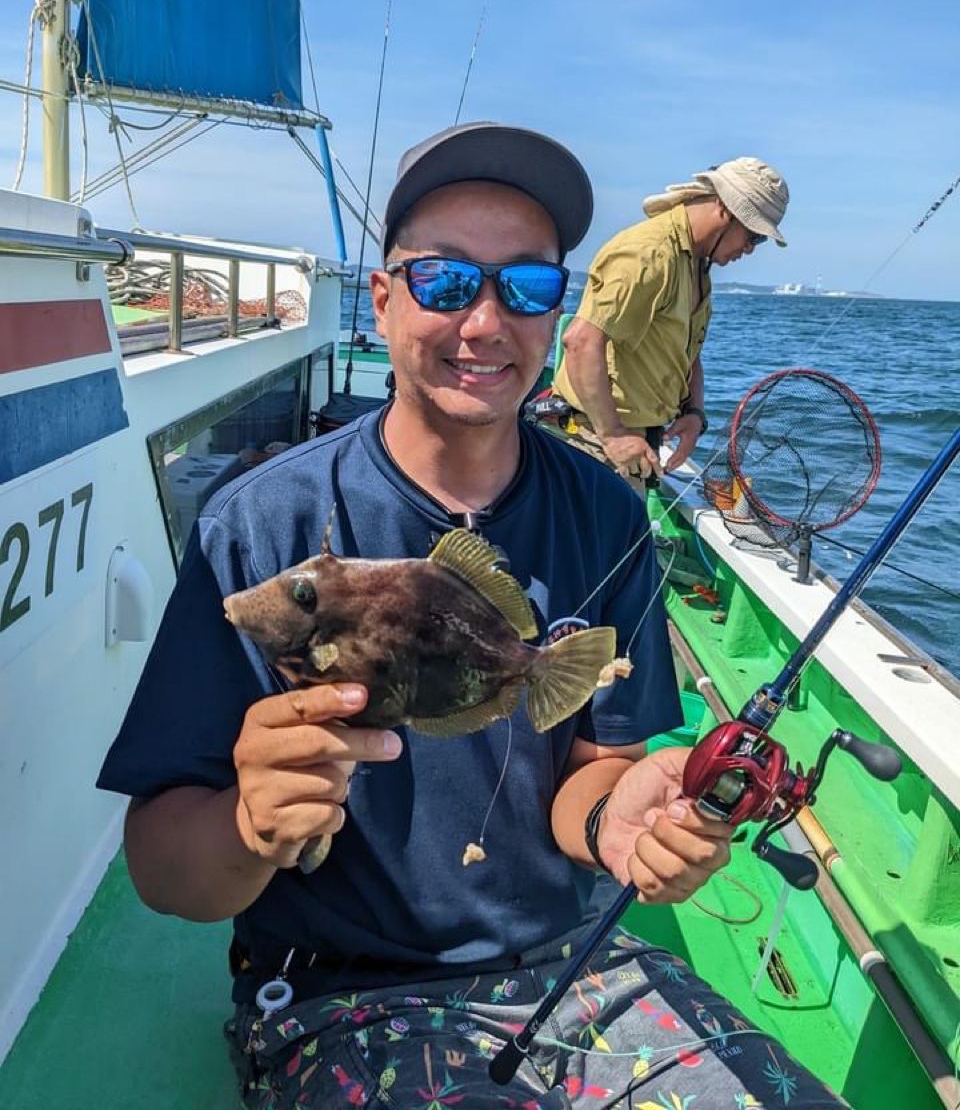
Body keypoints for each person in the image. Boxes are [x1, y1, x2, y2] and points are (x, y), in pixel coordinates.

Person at [99, 123, 842, 1108]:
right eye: (447, 280)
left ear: (555, 309)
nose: (487, 322)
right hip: (340, 989)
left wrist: (620, 822)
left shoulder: (607, 512)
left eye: (526, 286)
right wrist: (248, 821)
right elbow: (165, 872)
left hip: (578, 965)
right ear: (380, 294)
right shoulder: (262, 521)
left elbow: (592, 775)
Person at [552, 157, 789, 482]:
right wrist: (614, 435)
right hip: (592, 442)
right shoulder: (648, 255)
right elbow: (581, 341)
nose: (750, 249)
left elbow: (686, 351)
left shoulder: (696, 265)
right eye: (754, 236)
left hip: (635, 441)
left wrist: (695, 413)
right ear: (724, 209)